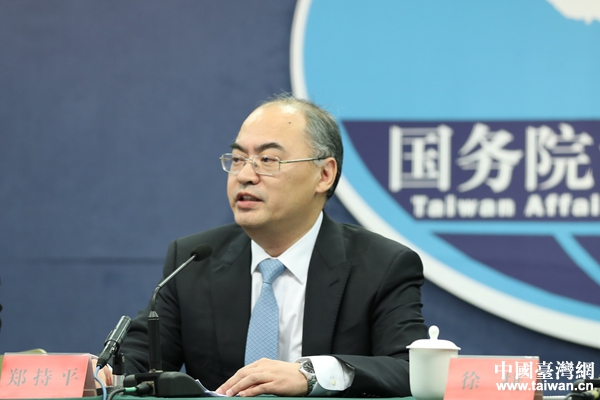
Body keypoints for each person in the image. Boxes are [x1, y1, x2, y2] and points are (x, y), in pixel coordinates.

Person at [118, 95, 428, 397]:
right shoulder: (194, 259)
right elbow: (140, 360)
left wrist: (312, 375)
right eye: (238, 159)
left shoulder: (382, 266)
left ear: (324, 174)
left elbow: (410, 369)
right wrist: (107, 371)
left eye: (267, 160)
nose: (244, 175)